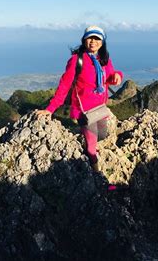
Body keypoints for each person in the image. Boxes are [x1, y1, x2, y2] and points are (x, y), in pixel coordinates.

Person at [36, 25, 123, 172]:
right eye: (90, 38)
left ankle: (89, 145)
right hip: (84, 110)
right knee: (91, 145)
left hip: (100, 108)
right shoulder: (77, 60)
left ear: (102, 42)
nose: (93, 41)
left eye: (97, 39)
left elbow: (110, 75)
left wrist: (117, 76)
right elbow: (64, 86)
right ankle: (96, 172)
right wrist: (50, 109)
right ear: (84, 40)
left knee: (102, 135)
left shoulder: (104, 60)